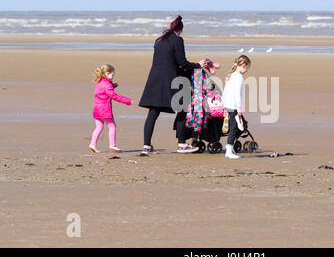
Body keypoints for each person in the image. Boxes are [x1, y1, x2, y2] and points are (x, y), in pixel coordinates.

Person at [138, 15, 207, 155]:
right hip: (171, 79)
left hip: (155, 79)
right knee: (182, 108)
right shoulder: (178, 40)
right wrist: (198, 65)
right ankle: (182, 144)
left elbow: (167, 60)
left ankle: (146, 147)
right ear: (180, 30)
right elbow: (182, 63)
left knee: (153, 112)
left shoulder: (159, 40)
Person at [89, 64, 132, 153]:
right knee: (112, 126)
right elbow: (114, 95)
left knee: (99, 127)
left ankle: (92, 144)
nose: (112, 77)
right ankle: (112, 145)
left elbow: (104, 91)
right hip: (104, 109)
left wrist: (113, 86)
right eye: (112, 75)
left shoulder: (100, 82)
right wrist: (127, 101)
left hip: (96, 109)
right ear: (107, 73)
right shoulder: (107, 85)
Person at [221, 55, 251, 159]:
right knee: (234, 128)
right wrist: (239, 108)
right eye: (247, 68)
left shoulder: (231, 75)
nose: (247, 70)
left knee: (243, 127)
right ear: (243, 65)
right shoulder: (238, 77)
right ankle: (228, 151)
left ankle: (230, 145)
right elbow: (237, 94)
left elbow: (225, 92)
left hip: (228, 105)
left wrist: (224, 106)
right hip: (233, 106)